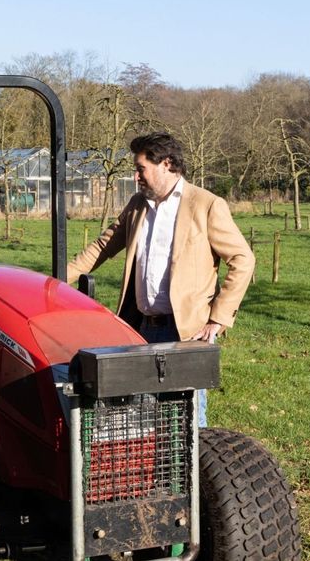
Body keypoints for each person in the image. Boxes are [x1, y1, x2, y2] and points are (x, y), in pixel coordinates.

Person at [67, 132, 255, 425]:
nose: (135, 176)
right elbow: (102, 247)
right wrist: (55, 281)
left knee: (187, 420)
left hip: (186, 333)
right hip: (140, 329)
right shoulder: (137, 205)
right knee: (141, 415)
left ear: (166, 164)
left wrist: (218, 319)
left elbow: (243, 259)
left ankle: (194, 471)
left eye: (140, 168)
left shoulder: (206, 205)